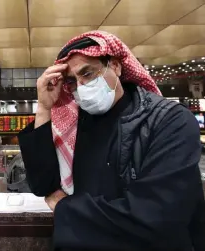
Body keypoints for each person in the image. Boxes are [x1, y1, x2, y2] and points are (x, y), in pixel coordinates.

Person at [18, 31, 205, 251]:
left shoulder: (168, 120)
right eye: (72, 82)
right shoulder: (76, 120)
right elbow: (43, 184)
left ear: (115, 66)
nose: (81, 87)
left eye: (87, 74)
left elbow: (157, 215)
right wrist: (44, 108)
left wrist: (66, 208)